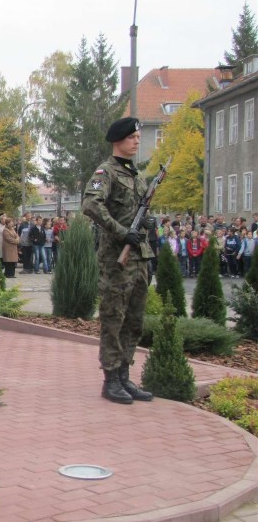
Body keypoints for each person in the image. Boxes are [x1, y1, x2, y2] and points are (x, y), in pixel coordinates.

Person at [81, 117, 154, 405]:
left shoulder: (137, 175)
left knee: (134, 321)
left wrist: (145, 223)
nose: (137, 141)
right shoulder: (106, 172)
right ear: (118, 140)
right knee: (114, 319)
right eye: (132, 137)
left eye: (138, 137)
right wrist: (122, 231)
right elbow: (91, 204)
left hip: (139, 258)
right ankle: (110, 380)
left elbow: (137, 212)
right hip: (116, 260)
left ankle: (124, 376)